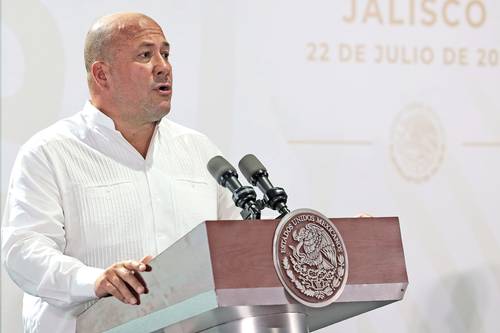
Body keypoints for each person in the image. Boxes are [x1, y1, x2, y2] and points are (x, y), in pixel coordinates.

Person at [1, 12, 240, 333]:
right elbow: (24, 252)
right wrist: (95, 280)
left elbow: (236, 251)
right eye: (145, 55)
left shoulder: (201, 152)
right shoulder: (49, 152)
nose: (163, 66)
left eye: (165, 54)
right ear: (102, 74)